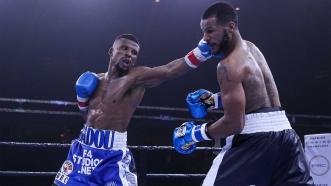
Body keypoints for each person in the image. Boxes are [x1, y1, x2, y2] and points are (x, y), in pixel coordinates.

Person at [172, 2, 314, 185]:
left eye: (210, 31)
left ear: (231, 27)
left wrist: (195, 134)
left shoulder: (226, 65)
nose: (204, 38)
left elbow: (235, 123)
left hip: (253, 138)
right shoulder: (252, 48)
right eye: (203, 32)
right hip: (286, 135)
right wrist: (213, 101)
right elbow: (255, 96)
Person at [53, 34, 220, 186]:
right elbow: (87, 116)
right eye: (124, 49)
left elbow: (170, 70)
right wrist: (81, 100)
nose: (129, 54)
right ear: (112, 51)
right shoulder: (95, 80)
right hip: (82, 151)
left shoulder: (136, 78)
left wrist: (202, 52)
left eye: (134, 52)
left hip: (111, 156)